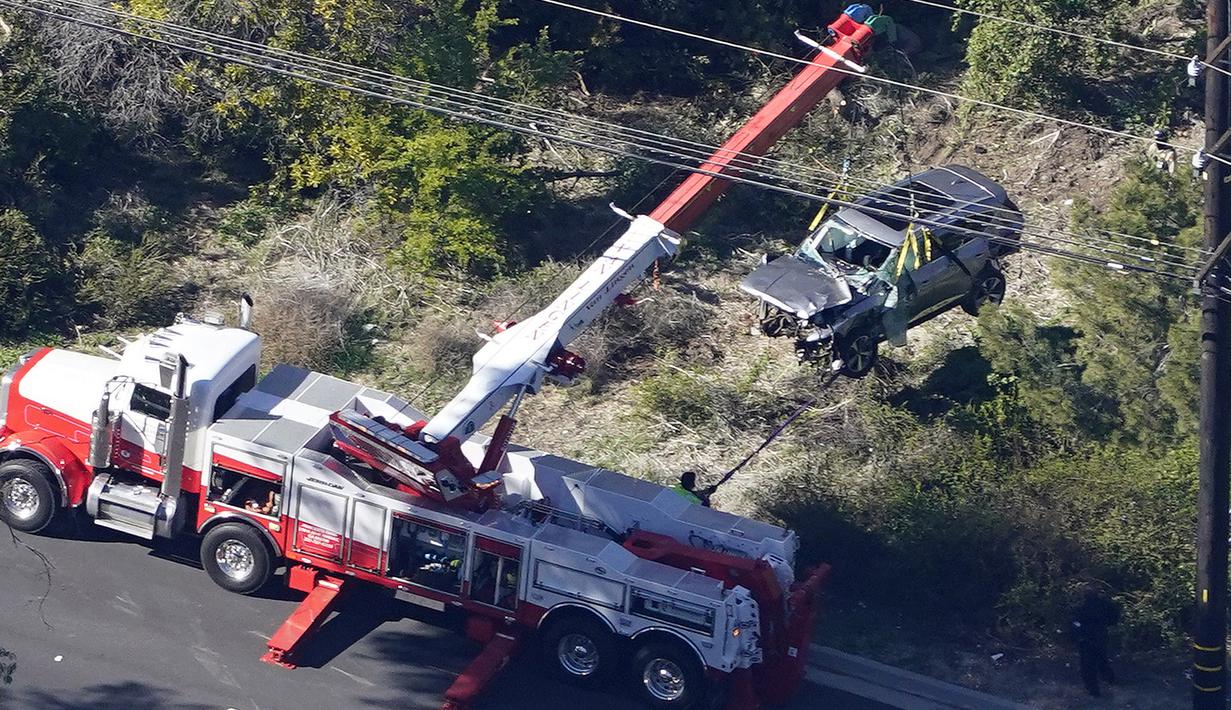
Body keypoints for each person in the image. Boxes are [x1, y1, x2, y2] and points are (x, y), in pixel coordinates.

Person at [1071, 589, 1120, 697]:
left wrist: (1077, 635)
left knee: (1088, 665)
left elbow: (1075, 623)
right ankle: (1109, 680)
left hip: (1086, 639)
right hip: (1100, 637)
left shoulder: (1081, 608)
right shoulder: (1104, 605)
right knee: (1101, 659)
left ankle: (1094, 690)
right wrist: (1107, 624)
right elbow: (1115, 616)